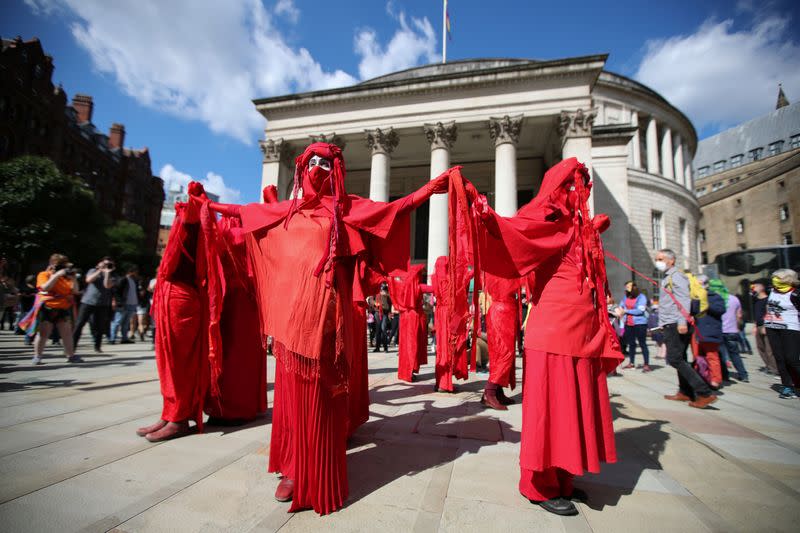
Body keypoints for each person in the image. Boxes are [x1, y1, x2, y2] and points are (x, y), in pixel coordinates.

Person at [205, 142, 449, 514]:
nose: (318, 168)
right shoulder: (286, 212)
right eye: (312, 162)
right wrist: (208, 206)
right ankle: (292, 466)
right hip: (290, 326)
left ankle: (315, 473)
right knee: (290, 401)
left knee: (319, 400)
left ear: (336, 170)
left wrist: (426, 190)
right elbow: (243, 212)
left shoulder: (345, 209)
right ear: (302, 167)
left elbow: (391, 210)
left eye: (326, 163)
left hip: (324, 324)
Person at [472, 159, 623, 516]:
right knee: (549, 411)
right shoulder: (547, 220)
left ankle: (564, 479)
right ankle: (538, 486)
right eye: (571, 185)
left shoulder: (577, 226)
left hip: (583, 331)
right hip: (554, 330)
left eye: (583, 186)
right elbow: (512, 233)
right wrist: (485, 214)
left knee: (573, 407)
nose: (579, 192)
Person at [656, 249, 716, 408]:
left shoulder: (677, 276)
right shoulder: (668, 277)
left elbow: (683, 300)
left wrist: (682, 322)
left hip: (677, 323)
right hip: (670, 322)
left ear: (671, 260)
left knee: (675, 359)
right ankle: (685, 392)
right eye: (657, 259)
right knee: (679, 357)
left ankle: (704, 392)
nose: (658, 261)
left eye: (661, 259)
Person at [23, 254, 80, 364]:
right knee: (44, 333)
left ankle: (71, 356)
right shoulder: (44, 274)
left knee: (67, 333)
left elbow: (75, 291)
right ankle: (37, 356)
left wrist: (73, 279)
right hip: (48, 307)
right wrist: (56, 275)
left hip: (63, 308)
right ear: (52, 265)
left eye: (63, 266)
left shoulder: (66, 278)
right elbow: (45, 287)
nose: (62, 268)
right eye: (59, 265)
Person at [482, 272, 520, 409]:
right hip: (503, 311)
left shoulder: (491, 267)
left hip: (498, 310)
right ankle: (490, 391)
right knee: (504, 354)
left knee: (499, 354)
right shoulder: (502, 267)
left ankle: (497, 391)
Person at [387, 264, 431, 383]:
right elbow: (434, 289)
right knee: (412, 345)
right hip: (414, 318)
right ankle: (410, 372)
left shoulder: (403, 286)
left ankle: (405, 372)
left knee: (405, 346)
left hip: (404, 317)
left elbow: (391, 283)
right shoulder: (418, 287)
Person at [763, 268, 800, 399]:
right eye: (774, 277)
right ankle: (787, 386)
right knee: (780, 358)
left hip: (790, 328)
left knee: (792, 359)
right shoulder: (771, 290)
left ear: (788, 279)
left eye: (778, 278)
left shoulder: (795, 294)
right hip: (772, 327)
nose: (775, 280)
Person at [72, 257, 116, 353]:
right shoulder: (93, 270)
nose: (107, 266)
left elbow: (107, 286)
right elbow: (88, 280)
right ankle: (72, 346)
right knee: (79, 324)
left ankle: (97, 346)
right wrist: (100, 270)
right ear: (99, 263)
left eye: (109, 264)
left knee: (100, 326)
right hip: (88, 301)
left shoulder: (112, 276)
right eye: (105, 263)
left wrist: (107, 273)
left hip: (103, 304)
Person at [710, 279, 749, 383]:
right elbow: (739, 315)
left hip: (718, 331)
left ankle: (725, 376)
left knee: (721, 354)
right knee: (735, 354)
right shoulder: (734, 299)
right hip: (732, 331)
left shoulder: (713, 300)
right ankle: (743, 374)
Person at [691, 275, 726, 389]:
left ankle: (716, 379)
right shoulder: (695, 297)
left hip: (709, 330)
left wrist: (706, 303)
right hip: (697, 330)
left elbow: (720, 310)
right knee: (697, 356)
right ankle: (701, 377)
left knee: (712, 356)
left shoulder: (714, 296)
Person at [619, 281, 651, 372]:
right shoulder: (626, 297)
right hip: (628, 323)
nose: (626, 289)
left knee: (642, 343)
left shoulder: (641, 297)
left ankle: (646, 364)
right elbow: (621, 306)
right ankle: (631, 363)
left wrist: (626, 311)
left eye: (627, 287)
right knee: (631, 344)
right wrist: (621, 310)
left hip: (640, 324)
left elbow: (640, 311)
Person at [751, 281, 778, 375]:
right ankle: (768, 366)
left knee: (769, 349)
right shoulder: (756, 301)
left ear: (761, 288)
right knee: (760, 347)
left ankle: (774, 369)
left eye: (755, 286)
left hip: (765, 326)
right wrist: (755, 326)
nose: (753, 288)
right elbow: (756, 315)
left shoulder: (768, 299)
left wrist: (766, 326)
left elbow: (768, 313)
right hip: (758, 326)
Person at [110, 266, 139, 344]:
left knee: (126, 322)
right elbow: (116, 291)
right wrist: (116, 301)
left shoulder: (134, 281)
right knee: (118, 321)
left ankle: (124, 338)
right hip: (123, 304)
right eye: (135, 272)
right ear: (130, 272)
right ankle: (112, 338)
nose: (136, 274)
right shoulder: (123, 280)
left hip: (132, 303)